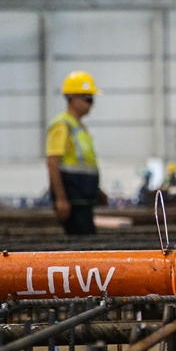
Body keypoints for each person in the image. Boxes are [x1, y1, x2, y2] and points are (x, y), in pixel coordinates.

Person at [46, 71, 107, 235]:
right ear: (73, 98)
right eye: (88, 100)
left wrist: (97, 191)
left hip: (83, 197)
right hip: (73, 198)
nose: (92, 105)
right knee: (83, 241)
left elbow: (84, 164)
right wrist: (61, 199)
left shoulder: (79, 127)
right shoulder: (62, 125)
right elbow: (53, 162)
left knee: (87, 238)